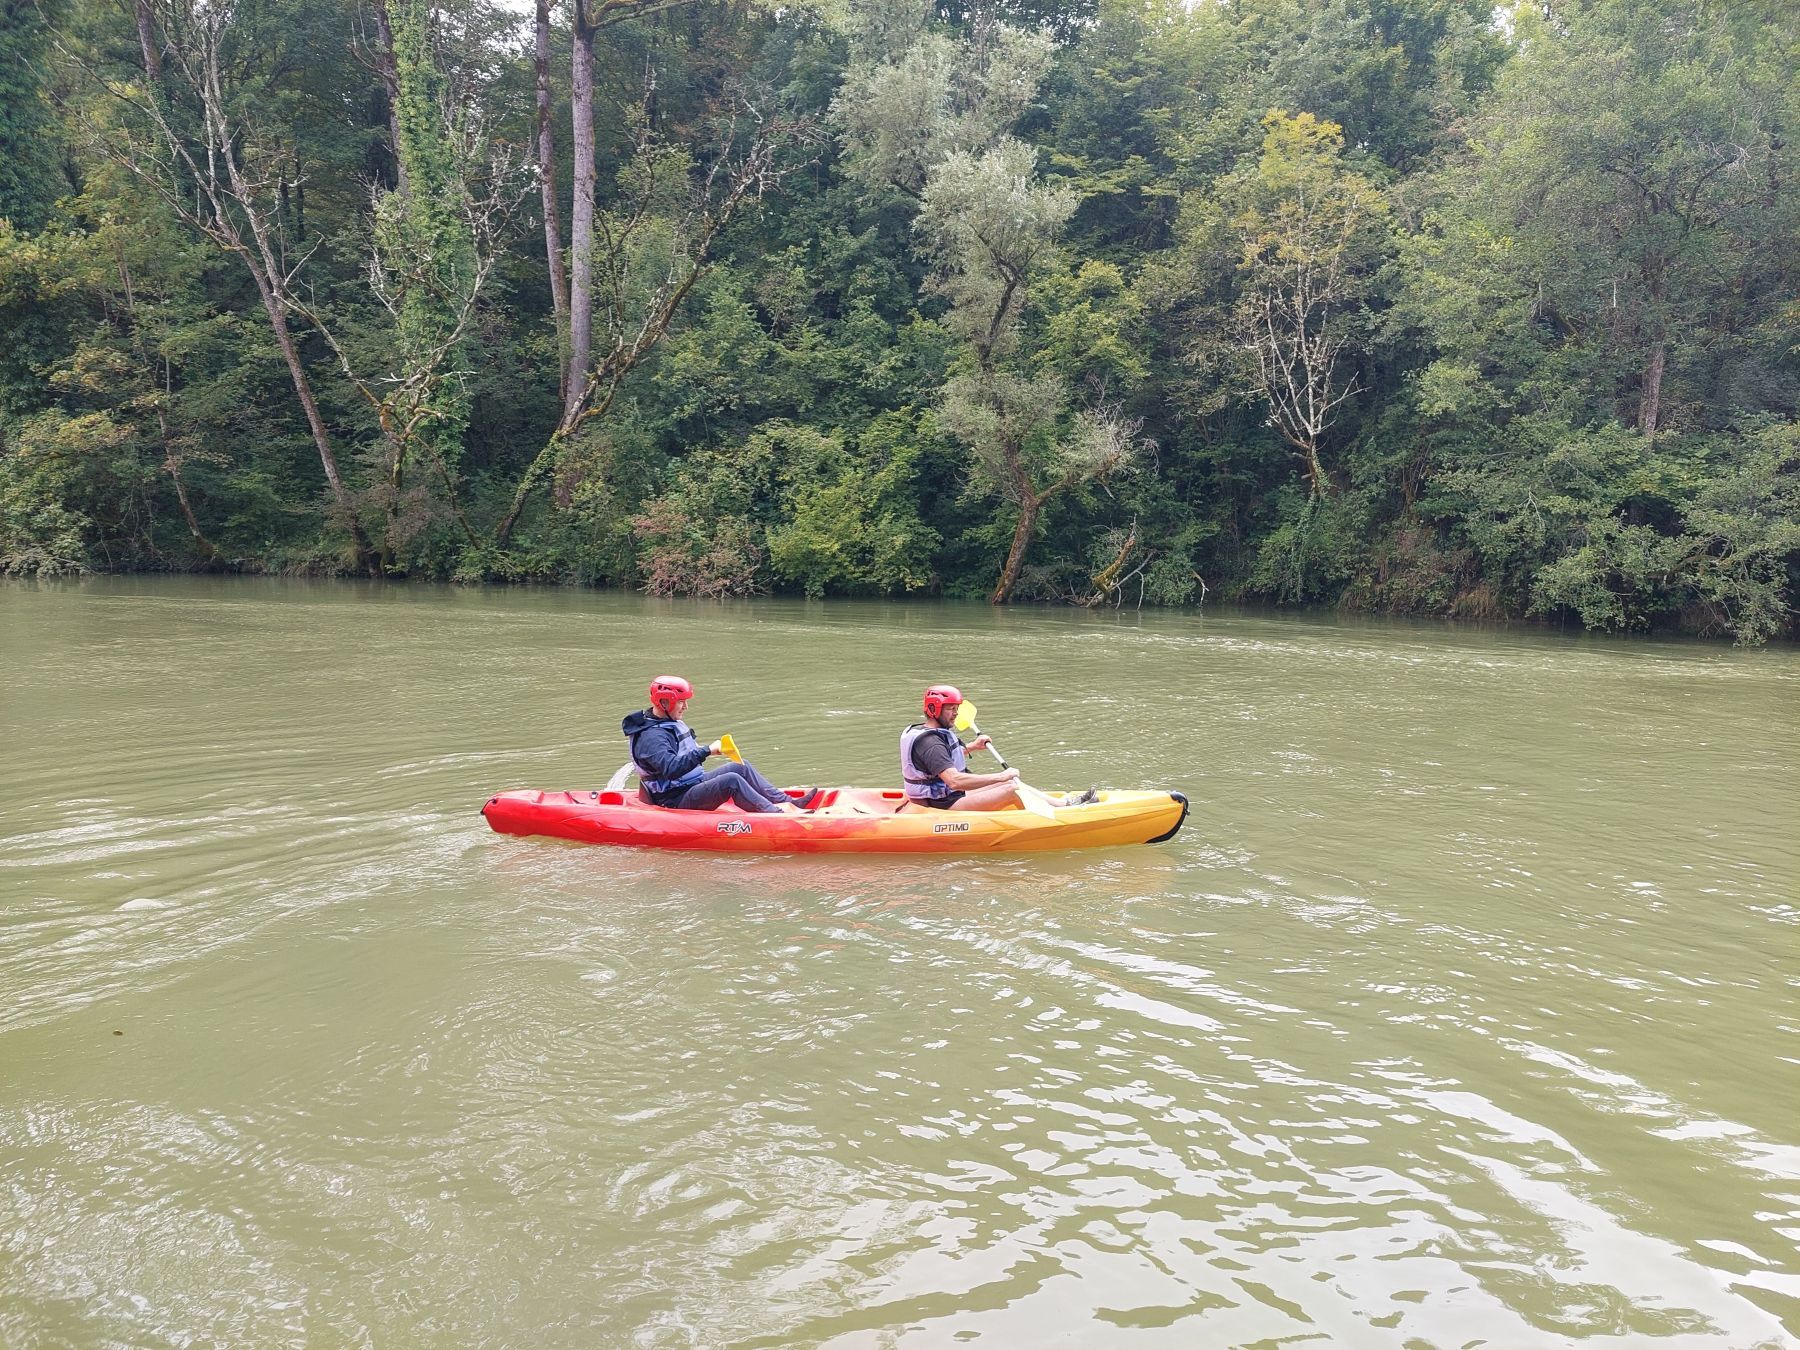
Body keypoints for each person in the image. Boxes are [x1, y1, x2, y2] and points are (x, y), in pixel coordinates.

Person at [622, 676, 816, 813]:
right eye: (681, 702)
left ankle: (790, 803)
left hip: (690, 784)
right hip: (674, 799)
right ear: (665, 702)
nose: (686, 707)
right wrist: (707, 750)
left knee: (740, 767)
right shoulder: (651, 738)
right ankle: (777, 816)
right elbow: (671, 769)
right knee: (731, 780)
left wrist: (708, 751)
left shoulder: (665, 722)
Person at [900, 684, 1095, 811]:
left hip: (948, 796)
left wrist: (972, 747)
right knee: (1011, 788)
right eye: (951, 709)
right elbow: (954, 781)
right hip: (942, 805)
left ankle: (1063, 804)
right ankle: (1060, 814)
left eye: (957, 709)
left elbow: (938, 763)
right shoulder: (931, 743)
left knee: (1012, 782)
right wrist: (1001, 776)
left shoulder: (927, 734)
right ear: (933, 709)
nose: (956, 714)